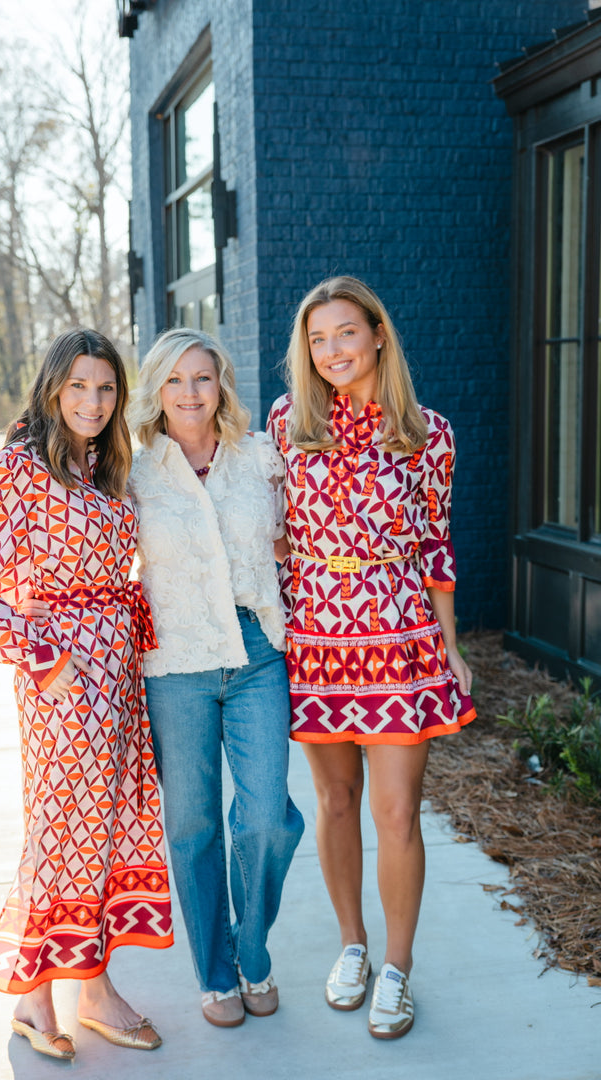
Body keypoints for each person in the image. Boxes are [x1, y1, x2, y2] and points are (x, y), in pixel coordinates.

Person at [0, 328, 172, 1062]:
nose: (93, 401)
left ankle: (56, 989)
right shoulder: (17, 468)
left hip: (119, 673)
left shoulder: (109, 463)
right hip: (63, 679)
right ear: (52, 388)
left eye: (106, 388)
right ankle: (73, 990)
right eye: (78, 386)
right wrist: (45, 657)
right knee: (62, 826)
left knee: (103, 825)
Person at [267, 276, 475, 1040]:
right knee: (334, 803)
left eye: (346, 333)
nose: (332, 352)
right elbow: (282, 537)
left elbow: (436, 545)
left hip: (398, 638)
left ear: (378, 334)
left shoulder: (428, 434)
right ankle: (350, 945)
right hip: (319, 638)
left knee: (396, 812)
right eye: (318, 340)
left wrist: (449, 647)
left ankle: (396, 967)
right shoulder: (289, 421)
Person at [126, 326, 304, 1029]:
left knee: (265, 816)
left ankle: (251, 949)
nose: (190, 393)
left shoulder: (261, 457)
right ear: (157, 391)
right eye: (175, 380)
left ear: (221, 383)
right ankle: (215, 973)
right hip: (174, 664)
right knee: (194, 824)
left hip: (257, 653)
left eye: (202, 377)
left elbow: (300, 537)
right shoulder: (133, 471)